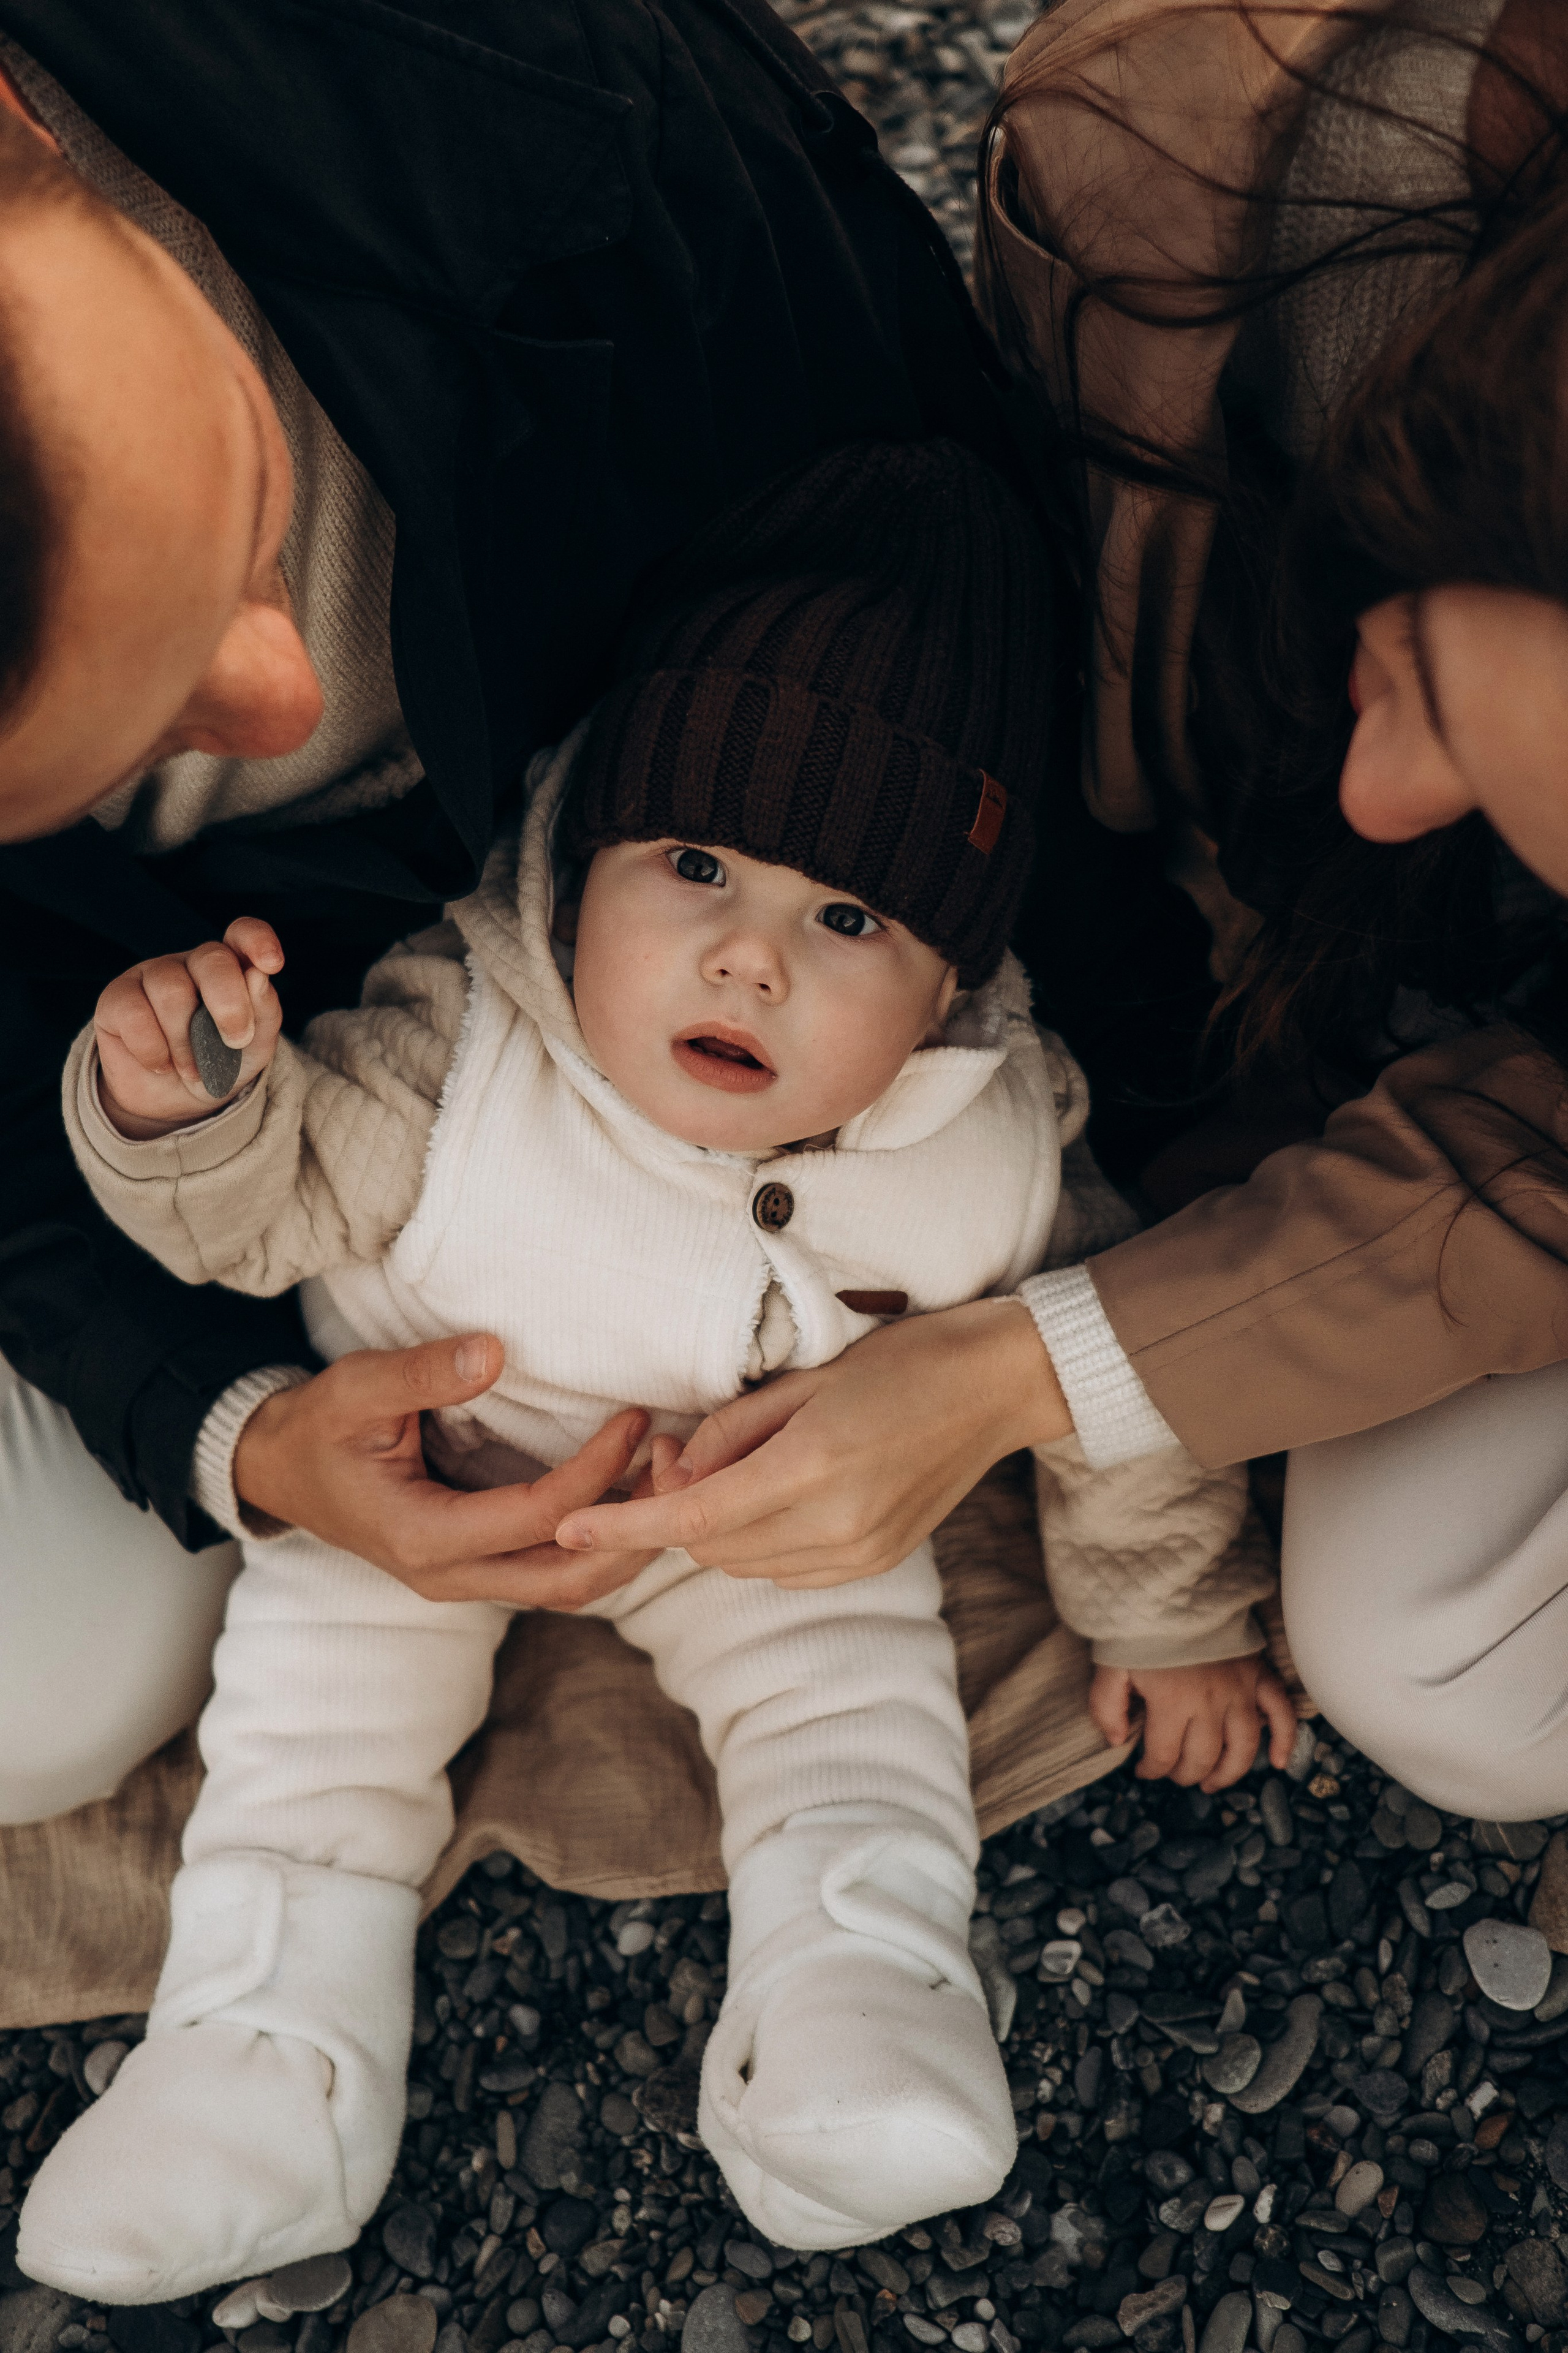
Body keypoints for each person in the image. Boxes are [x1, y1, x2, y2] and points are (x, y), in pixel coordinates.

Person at [23, 443, 1291, 2294]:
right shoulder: (467, 1050)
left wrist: (1164, 1610)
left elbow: (1106, 1373)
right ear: (581, 855)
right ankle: (258, 2055)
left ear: (950, 995)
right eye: (693, 864)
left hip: (758, 1509)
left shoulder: (987, 1149)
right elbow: (260, 1205)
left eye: (848, 921)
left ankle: (854, 1991)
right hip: (422, 1460)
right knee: (306, 1718)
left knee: (855, 1700)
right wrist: (183, 1098)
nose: (748, 957)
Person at [0, 0, 1035, 1826]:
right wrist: (235, 1427)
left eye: (235, 511)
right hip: (272, 1159)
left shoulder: (542, 100)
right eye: (107, 753)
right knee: (47, 1695)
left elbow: (951, 569)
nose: (280, 708)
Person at [550, 0, 1568, 1819]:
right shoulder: (1210, 172)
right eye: (1394, 659)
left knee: (1436, 1659)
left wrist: (1044, 1401)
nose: (1377, 795)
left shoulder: (1001, 1140)